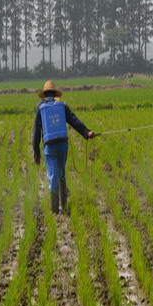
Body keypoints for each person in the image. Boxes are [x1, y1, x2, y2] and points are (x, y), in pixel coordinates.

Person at [32, 80, 95, 215]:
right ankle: (64, 206)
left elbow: (36, 132)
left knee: (52, 175)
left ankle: (55, 211)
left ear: (44, 95)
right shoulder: (62, 105)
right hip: (62, 145)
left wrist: (36, 153)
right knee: (61, 172)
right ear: (55, 93)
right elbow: (74, 120)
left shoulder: (41, 107)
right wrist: (87, 132)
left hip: (49, 146)